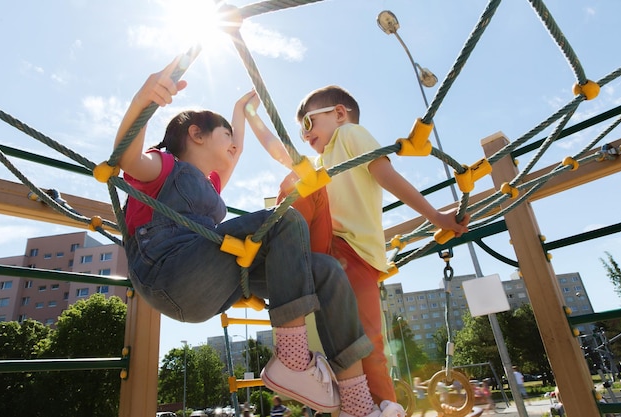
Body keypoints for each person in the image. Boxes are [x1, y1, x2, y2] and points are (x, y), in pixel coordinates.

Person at [114, 57, 404, 417]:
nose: (234, 146)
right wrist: (144, 101)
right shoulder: (164, 165)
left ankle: (357, 405)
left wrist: (241, 111)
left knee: (327, 271)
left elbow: (235, 156)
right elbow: (126, 159)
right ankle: (292, 359)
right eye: (226, 138)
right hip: (169, 270)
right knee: (282, 220)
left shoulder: (211, 184)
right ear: (195, 135)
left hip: (210, 284)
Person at [245, 85, 469, 404]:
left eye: (308, 124)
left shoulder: (350, 134)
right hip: (332, 249)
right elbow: (279, 150)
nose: (304, 136)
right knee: (300, 177)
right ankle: (276, 257)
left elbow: (384, 173)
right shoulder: (322, 163)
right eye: (300, 131)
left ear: (339, 114)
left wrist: (435, 216)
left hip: (355, 256)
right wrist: (252, 114)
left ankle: (380, 406)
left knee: (366, 342)